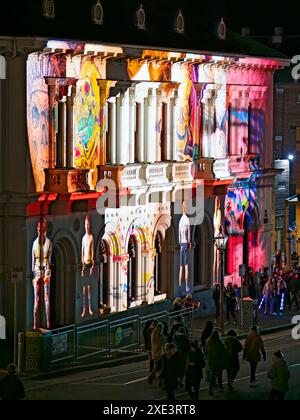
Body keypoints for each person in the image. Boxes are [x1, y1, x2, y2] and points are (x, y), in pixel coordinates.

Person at [31, 218, 52, 330]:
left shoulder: (37, 243)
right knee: (40, 300)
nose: (40, 232)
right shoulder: (39, 243)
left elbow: (33, 261)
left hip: (40, 272)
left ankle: (41, 324)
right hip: (40, 272)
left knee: (42, 300)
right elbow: (34, 260)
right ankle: (38, 324)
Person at [205, 330, 227, 396]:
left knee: (212, 375)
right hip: (218, 361)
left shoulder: (209, 342)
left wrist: (208, 358)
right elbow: (223, 352)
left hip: (211, 361)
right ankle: (220, 387)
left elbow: (206, 352)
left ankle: (210, 389)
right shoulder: (219, 343)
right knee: (219, 375)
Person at [81, 215, 95, 317]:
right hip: (84, 264)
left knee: (89, 288)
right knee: (84, 289)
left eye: (88, 224)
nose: (87, 226)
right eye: (85, 224)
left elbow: (93, 251)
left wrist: (93, 265)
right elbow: (82, 252)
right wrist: (82, 266)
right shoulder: (83, 238)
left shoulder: (91, 237)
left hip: (89, 263)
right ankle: (84, 309)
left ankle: (89, 308)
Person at [178, 201, 191, 293]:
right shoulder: (187, 220)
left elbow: (179, 235)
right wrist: (189, 243)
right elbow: (189, 234)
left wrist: (179, 243)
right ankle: (186, 286)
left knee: (181, 267)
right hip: (185, 244)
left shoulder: (180, 220)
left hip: (181, 244)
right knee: (186, 267)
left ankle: (179, 286)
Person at [213, 197, 222, 284]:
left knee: (216, 259)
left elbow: (218, 226)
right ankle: (215, 279)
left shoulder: (217, 213)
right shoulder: (216, 213)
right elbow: (218, 226)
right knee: (216, 259)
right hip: (216, 236)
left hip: (216, 236)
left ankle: (216, 279)